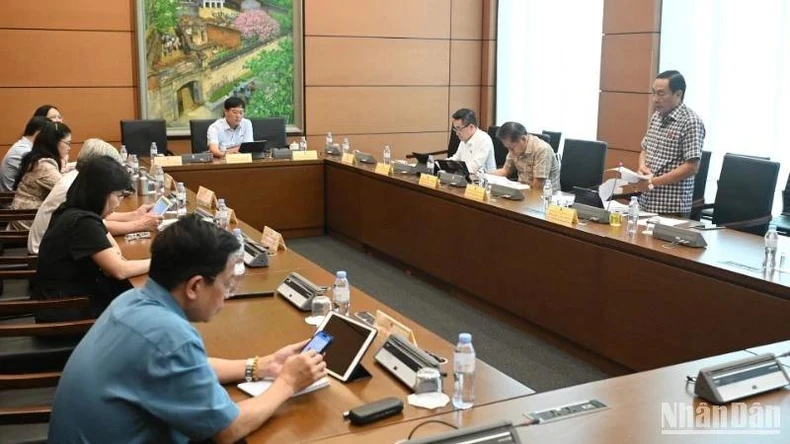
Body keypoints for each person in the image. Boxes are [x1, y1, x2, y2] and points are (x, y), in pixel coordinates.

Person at [48, 215, 327, 443]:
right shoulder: (170, 338)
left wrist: (261, 365)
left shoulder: (131, 300)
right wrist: (288, 382)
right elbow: (228, 430)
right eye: (227, 283)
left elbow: (189, 368)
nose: (228, 294)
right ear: (195, 286)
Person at [32, 156, 150, 322]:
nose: (118, 203)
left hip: (59, 301)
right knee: (144, 310)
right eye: (119, 195)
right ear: (101, 193)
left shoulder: (73, 210)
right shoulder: (83, 223)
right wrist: (158, 262)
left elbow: (114, 250)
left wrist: (114, 260)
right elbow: (119, 270)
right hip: (67, 311)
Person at [27, 139, 161, 254]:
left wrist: (134, 215)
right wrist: (140, 225)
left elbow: (98, 217)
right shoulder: (74, 188)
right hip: (42, 251)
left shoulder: (78, 180)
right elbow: (97, 225)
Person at [637, 70, 706, 216]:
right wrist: (642, 167)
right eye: (653, 93)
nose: (655, 99)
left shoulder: (690, 122)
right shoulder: (656, 117)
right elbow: (645, 149)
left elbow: (692, 167)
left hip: (671, 208)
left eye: (661, 94)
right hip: (646, 203)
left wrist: (653, 182)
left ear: (678, 94)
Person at [8, 122, 71, 230]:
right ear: (54, 142)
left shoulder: (37, 159)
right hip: (28, 223)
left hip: (24, 218)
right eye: (67, 143)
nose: (69, 148)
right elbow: (69, 192)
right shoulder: (44, 167)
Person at [491, 121, 560, 192]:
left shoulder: (542, 149)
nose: (510, 152)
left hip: (545, 194)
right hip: (523, 190)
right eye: (508, 148)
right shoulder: (514, 149)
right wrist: (486, 175)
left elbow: (538, 185)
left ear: (523, 139)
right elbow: (505, 171)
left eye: (512, 148)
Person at [0, 116, 50, 192]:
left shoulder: (25, 146)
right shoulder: (24, 151)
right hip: (11, 197)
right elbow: (43, 177)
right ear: (39, 133)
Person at [448, 108, 496, 175]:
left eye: (459, 129)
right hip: (466, 175)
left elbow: (474, 167)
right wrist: (442, 164)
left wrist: (456, 170)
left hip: (485, 178)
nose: (457, 133)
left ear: (471, 127)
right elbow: (456, 158)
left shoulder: (484, 139)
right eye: (455, 129)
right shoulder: (464, 139)